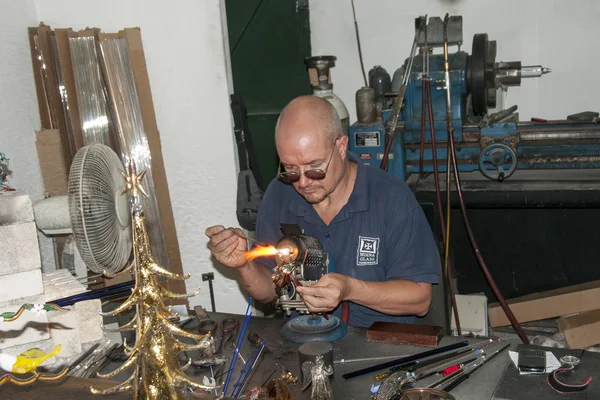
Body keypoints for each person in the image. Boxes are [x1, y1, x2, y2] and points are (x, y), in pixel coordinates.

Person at [206, 95, 440, 328]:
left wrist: (350, 289)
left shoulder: (391, 199)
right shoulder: (279, 195)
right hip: (305, 341)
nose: (303, 182)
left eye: (315, 169)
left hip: (381, 345)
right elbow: (269, 291)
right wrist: (243, 265)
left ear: (340, 147)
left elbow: (419, 299)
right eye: (291, 169)